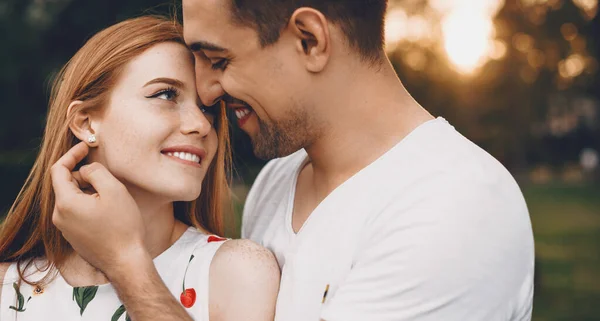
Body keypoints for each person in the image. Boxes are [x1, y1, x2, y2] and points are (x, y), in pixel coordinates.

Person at [51, 1, 535, 320]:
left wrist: (128, 266)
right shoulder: (279, 181)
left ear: (310, 39)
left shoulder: (453, 209)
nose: (206, 92)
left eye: (219, 60)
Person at [0, 16, 279, 321]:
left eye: (207, 109)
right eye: (165, 95)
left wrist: (125, 264)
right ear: (85, 122)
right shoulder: (6, 289)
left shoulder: (234, 274)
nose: (201, 125)